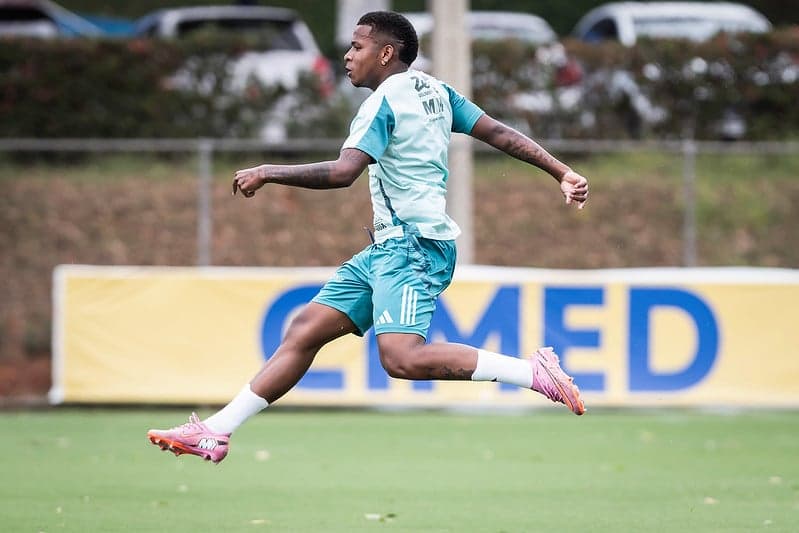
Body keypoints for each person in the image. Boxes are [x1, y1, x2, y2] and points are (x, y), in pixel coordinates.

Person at [148, 11, 589, 464]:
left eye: (357, 46)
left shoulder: (383, 102)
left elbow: (343, 173)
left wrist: (268, 171)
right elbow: (497, 131)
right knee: (304, 331)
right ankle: (216, 431)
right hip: (386, 249)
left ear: (385, 53)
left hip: (412, 247)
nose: (347, 55)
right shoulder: (437, 91)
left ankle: (530, 371)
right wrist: (561, 171)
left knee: (401, 359)